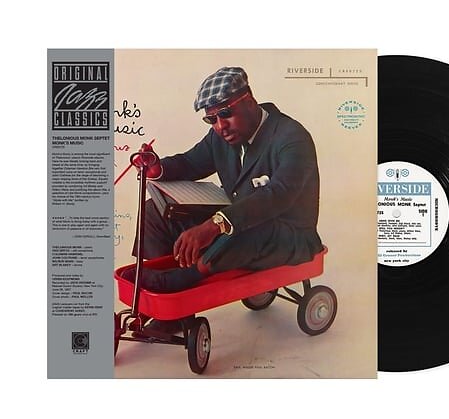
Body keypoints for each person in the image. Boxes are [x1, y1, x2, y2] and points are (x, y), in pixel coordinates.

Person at [125, 66, 323, 297]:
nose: (220, 126)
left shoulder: (293, 138)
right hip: (237, 224)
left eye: (226, 113)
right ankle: (162, 274)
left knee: (242, 227)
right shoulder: (221, 136)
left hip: (287, 236)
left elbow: (278, 195)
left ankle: (181, 279)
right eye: (211, 119)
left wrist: (213, 224)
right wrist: (158, 168)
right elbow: (190, 162)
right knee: (154, 210)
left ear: (249, 102)